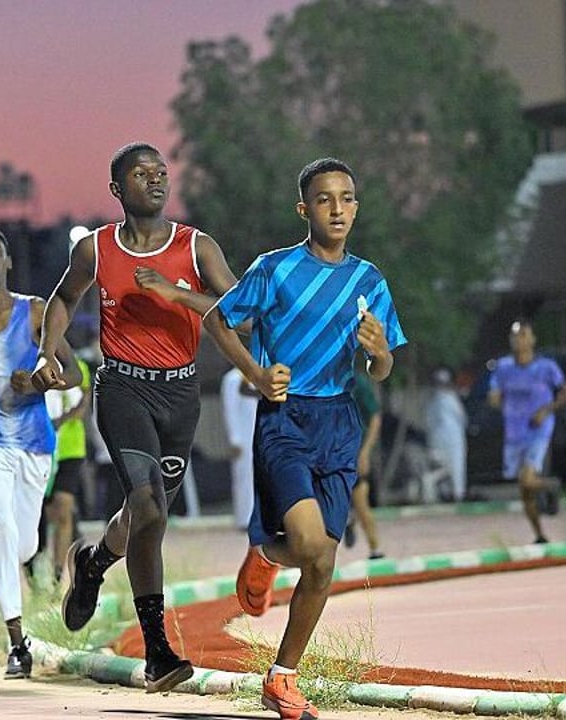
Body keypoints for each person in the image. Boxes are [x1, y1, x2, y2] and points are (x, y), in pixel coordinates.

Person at [130, 157, 405, 718]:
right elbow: (219, 319)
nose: (336, 209)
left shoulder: (369, 281)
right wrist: (256, 375)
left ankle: (281, 676)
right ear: (304, 209)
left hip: (339, 421)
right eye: (324, 199)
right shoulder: (274, 269)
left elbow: (381, 370)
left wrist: (379, 354)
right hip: (285, 418)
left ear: (356, 207)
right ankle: (268, 552)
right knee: (308, 544)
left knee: (323, 564)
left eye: (346, 198)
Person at [32, 143, 277, 694]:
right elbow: (63, 300)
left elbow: (241, 317)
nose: (156, 180)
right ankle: (158, 652)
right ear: (117, 189)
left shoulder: (196, 247)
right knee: (150, 511)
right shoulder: (96, 249)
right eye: (141, 174)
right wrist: (50, 352)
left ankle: (92, 563)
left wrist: (177, 296)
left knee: (142, 514)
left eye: (161, 172)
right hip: (122, 388)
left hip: (181, 396)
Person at [0, 226, 81, 679]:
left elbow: (74, 373)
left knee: (23, 544)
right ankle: (17, 641)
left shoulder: (35, 312)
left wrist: (42, 382)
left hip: (33, 444)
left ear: (7, 262)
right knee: (1, 528)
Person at [489, 319, 566, 544]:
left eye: (523, 335)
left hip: (538, 431)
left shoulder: (546, 367)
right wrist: (495, 400)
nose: (518, 340)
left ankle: (553, 486)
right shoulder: (504, 367)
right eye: (515, 336)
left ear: (532, 339)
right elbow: (494, 394)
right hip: (514, 432)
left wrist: (546, 410)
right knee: (524, 490)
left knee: (527, 479)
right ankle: (539, 534)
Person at [39, 356, 92, 583]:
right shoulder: (31, 362)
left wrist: (62, 419)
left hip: (71, 448)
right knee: (41, 515)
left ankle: (57, 575)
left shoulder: (78, 366)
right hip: (40, 448)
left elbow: (84, 401)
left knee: (63, 507)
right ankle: (37, 570)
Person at [344, 368, 384, 559]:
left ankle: (375, 550)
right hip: (326, 452)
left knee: (361, 503)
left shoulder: (358, 383)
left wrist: (365, 452)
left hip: (353, 453)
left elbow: (375, 418)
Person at [221, 367, 258, 530]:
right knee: (244, 477)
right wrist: (234, 439)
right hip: (243, 437)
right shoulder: (233, 378)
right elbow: (230, 409)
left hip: (259, 433)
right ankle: (244, 518)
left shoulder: (258, 376)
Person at [426, 367, 467, 502]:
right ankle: (456, 494)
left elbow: (429, 422)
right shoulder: (450, 399)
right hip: (451, 440)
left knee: (447, 469)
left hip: (441, 440)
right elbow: (463, 418)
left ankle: (450, 494)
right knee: (454, 468)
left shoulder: (433, 401)